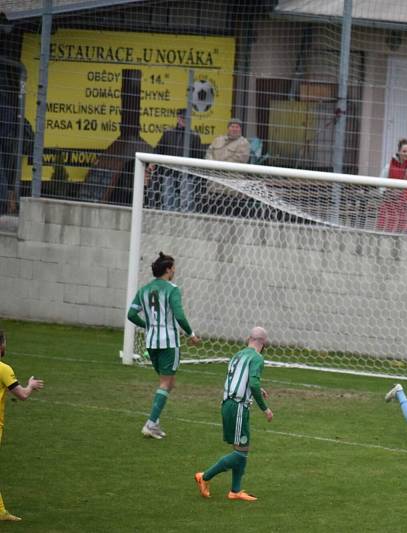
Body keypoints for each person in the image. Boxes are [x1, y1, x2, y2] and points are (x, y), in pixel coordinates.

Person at [195, 327, 273, 502]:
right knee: (240, 453)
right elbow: (252, 383)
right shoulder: (257, 358)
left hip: (228, 404)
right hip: (238, 407)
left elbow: (239, 379)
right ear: (264, 343)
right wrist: (265, 408)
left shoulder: (237, 355)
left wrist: (258, 389)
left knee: (242, 449)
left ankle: (235, 491)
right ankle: (204, 476)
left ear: (248, 339)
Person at [127, 252, 200, 439]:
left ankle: (156, 422)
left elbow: (131, 315)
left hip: (151, 342)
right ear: (168, 269)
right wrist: (191, 334)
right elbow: (180, 315)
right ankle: (150, 424)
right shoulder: (172, 289)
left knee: (169, 383)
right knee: (166, 383)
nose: (175, 270)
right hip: (168, 342)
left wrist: (148, 326)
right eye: (173, 267)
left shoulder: (144, 290)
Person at [0, 330, 44, 521]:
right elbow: (23, 395)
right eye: (5, 342)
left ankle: (1, 511)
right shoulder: (3, 369)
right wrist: (31, 385)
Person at [145, 109, 205, 210]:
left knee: (186, 204)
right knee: (168, 202)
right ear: (178, 118)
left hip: (187, 175)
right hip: (169, 173)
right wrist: (152, 162)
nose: (184, 120)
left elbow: (199, 157)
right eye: (182, 117)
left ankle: (186, 224)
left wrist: (194, 173)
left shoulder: (195, 136)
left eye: (186, 118)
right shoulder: (168, 133)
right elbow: (159, 150)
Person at [376, 138, 407, 233]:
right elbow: (380, 182)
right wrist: (384, 194)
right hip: (390, 206)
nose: (406, 153)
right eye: (404, 151)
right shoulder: (388, 167)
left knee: (406, 232)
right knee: (388, 231)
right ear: (399, 152)